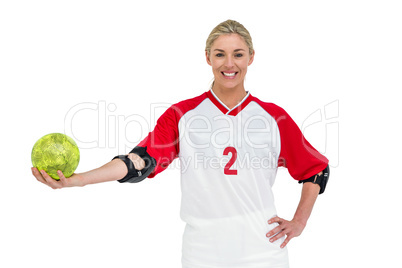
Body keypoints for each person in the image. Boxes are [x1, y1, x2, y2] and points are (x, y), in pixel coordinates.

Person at [32, 20, 330, 268]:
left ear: (251, 57)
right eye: (219, 54)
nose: (229, 64)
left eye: (238, 54)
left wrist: (300, 222)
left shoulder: (274, 117)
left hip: (264, 253)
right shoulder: (182, 114)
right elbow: (139, 162)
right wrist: (80, 180)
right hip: (202, 254)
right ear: (207, 57)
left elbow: (315, 169)